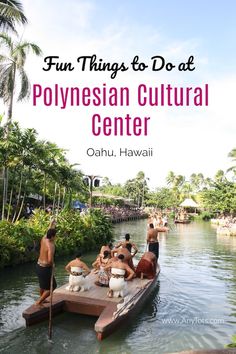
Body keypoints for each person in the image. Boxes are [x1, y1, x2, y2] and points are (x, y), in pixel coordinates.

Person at [35, 219, 57, 306]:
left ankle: (42, 300)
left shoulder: (44, 239)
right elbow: (49, 260)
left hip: (38, 266)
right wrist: (53, 265)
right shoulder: (50, 246)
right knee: (52, 287)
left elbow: (48, 231)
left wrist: (52, 224)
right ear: (52, 237)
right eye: (55, 236)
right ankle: (39, 302)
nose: (56, 237)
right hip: (45, 268)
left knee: (42, 286)